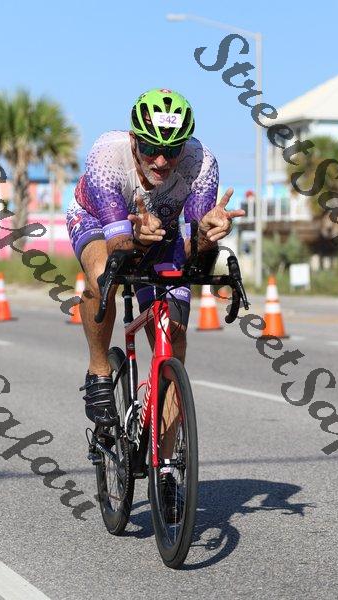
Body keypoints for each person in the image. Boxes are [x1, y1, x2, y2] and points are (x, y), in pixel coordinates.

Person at [67, 88, 245, 429]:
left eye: (171, 150)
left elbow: (194, 251)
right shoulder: (107, 155)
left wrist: (207, 234)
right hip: (99, 222)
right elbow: (120, 246)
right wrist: (136, 239)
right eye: (150, 148)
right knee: (104, 274)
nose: (161, 161)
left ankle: (164, 458)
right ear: (134, 139)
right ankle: (99, 371)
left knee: (173, 336)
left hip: (161, 232)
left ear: (184, 146)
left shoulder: (201, 163)